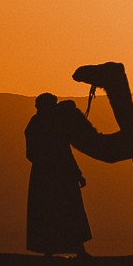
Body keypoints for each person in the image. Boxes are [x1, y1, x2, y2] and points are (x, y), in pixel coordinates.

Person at [24, 92, 95, 256]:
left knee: (48, 211)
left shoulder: (35, 124)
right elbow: (64, 150)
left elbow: (31, 154)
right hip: (60, 174)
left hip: (44, 174)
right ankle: (77, 249)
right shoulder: (55, 123)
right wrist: (76, 173)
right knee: (68, 210)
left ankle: (50, 250)